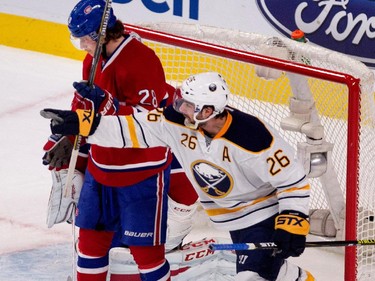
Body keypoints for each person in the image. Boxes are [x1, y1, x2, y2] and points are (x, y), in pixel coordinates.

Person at [42, 71, 316, 281]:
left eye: (188, 104)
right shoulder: (176, 121)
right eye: (182, 100)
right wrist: (82, 123)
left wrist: (292, 220)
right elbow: (131, 128)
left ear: (208, 111)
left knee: (252, 277)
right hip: (229, 214)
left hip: (263, 212)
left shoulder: (253, 136)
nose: (179, 106)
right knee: (275, 272)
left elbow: (292, 180)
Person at [41, 0, 198, 280]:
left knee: (147, 257)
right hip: (101, 172)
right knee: (89, 248)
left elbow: (151, 122)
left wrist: (107, 106)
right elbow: (85, 106)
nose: (82, 46)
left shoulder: (142, 61)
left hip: (141, 175)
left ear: (100, 34)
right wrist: (67, 133)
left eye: (84, 40)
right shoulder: (91, 60)